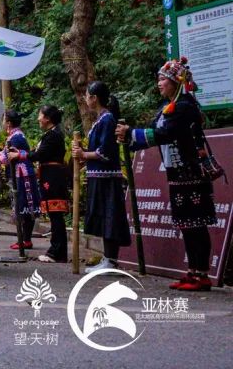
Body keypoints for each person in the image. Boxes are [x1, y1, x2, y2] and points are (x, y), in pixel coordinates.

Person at [117, 58, 218, 291]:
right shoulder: (168, 108)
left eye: (163, 79)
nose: (159, 84)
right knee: (186, 223)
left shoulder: (184, 106)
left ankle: (201, 274)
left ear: (176, 82)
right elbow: (155, 132)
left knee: (195, 223)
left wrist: (131, 132)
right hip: (178, 175)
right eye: (159, 79)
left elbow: (165, 133)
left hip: (191, 172)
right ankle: (193, 272)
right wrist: (128, 138)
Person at [72, 81, 130, 272]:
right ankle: (108, 258)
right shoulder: (101, 120)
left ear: (94, 98)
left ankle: (111, 260)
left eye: (87, 95)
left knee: (110, 217)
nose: (85, 99)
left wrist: (84, 155)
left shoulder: (107, 120)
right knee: (105, 217)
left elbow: (105, 152)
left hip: (107, 179)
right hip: (99, 177)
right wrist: (83, 157)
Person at [29, 105, 69, 264]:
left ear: (47, 118)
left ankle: (56, 252)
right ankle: (58, 251)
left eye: (40, 115)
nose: (38, 118)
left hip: (53, 178)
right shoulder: (51, 134)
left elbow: (40, 154)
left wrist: (22, 155)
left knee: (56, 214)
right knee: (54, 215)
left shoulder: (53, 136)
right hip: (50, 177)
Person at [0, 109, 42, 251]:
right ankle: (25, 239)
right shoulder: (15, 136)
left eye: (4, 120)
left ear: (9, 123)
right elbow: (4, 155)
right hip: (22, 175)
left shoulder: (15, 138)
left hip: (22, 176)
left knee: (24, 207)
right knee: (23, 207)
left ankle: (26, 240)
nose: (3, 123)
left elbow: (5, 158)